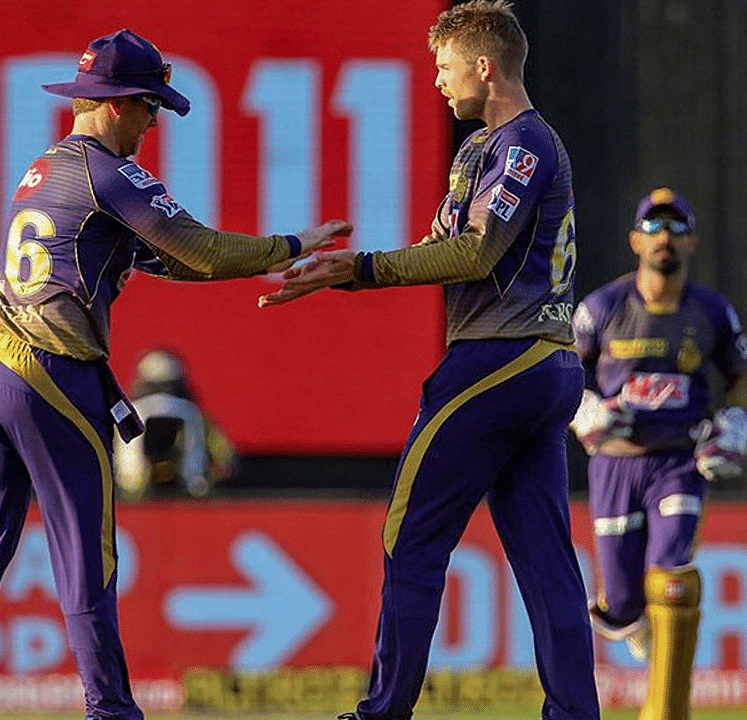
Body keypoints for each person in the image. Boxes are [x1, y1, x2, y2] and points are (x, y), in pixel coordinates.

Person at [0, 28, 350, 720]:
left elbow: (157, 258)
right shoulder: (109, 172)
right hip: (48, 371)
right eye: (151, 109)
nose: (154, 125)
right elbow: (199, 250)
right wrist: (291, 246)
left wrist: (249, 262)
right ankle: (113, 712)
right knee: (89, 558)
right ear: (119, 104)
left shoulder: (45, 166)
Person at [259, 3, 601, 720]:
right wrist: (347, 272)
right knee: (545, 562)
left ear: (484, 64)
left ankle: (383, 713)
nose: (438, 83)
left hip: (497, 363)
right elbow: (445, 247)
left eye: (445, 68)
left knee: (409, 536)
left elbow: (473, 252)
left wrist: (359, 267)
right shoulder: (483, 149)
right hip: (542, 368)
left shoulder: (521, 146)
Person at [569, 187, 747, 720]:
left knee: (672, 573)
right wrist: (584, 408)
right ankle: (636, 622)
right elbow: (562, 368)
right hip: (615, 463)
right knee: (623, 603)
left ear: (691, 241)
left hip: (679, 462)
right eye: (654, 228)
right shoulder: (602, 308)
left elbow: (743, 377)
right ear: (634, 241)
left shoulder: (711, 311)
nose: (664, 238)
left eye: (675, 228)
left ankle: (666, 712)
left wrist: (736, 424)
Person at [113, 348, 237, 499]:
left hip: (180, 492)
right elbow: (225, 456)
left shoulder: (197, 418)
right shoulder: (195, 415)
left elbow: (224, 456)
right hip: (141, 493)